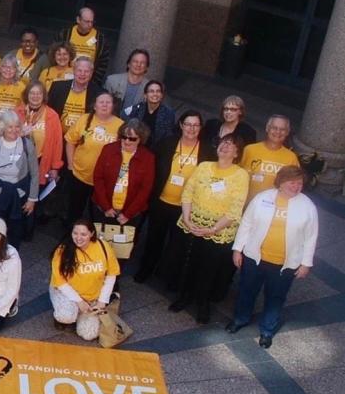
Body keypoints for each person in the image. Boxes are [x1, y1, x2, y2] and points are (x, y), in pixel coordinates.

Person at [228, 166, 318, 349]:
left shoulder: (307, 205)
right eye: (292, 182)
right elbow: (246, 223)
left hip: (285, 264)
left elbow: (311, 236)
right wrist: (238, 249)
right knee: (247, 291)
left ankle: (267, 330)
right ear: (281, 181)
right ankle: (240, 319)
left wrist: (306, 263)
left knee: (275, 298)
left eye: (300, 183)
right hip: (255, 257)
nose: (296, 186)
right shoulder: (262, 198)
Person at [164, 133, 249, 323]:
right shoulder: (203, 166)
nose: (225, 146)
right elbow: (188, 192)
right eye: (223, 142)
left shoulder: (241, 175)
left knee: (210, 268)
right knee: (189, 262)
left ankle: (203, 303)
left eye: (231, 144)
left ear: (237, 153)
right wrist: (186, 218)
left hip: (219, 230)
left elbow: (236, 208)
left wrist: (212, 229)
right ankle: (185, 296)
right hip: (193, 224)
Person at [135, 112, 211, 284]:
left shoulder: (206, 151)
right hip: (161, 201)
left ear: (200, 128)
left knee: (178, 245)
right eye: (188, 124)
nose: (191, 128)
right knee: (154, 239)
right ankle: (146, 269)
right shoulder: (168, 143)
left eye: (196, 125)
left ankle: (169, 276)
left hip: (185, 207)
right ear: (181, 125)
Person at [49, 220, 119, 341]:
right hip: (67, 292)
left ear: (92, 233)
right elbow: (60, 282)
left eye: (83, 234)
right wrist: (79, 301)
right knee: (66, 316)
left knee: (89, 335)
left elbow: (111, 275)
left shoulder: (103, 246)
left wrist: (102, 301)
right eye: (75, 233)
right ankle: (70, 313)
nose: (78, 238)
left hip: (94, 297)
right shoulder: (62, 251)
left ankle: (82, 314)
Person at [0, 110, 40, 247]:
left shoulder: (27, 144)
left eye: (17, 126)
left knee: (15, 230)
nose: (14, 130)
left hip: (19, 195)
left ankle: (12, 258)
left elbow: (35, 173)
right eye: (10, 126)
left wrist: (32, 199)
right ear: (2, 127)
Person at [62, 93, 123, 225]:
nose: (105, 105)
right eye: (101, 102)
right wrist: (71, 166)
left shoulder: (120, 126)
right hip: (79, 176)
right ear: (94, 106)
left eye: (108, 102)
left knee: (97, 216)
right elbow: (70, 141)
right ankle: (71, 237)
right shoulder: (84, 120)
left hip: (103, 182)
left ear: (113, 106)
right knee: (74, 212)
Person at [91, 120, 156, 236]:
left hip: (130, 214)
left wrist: (128, 214)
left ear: (140, 139)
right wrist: (106, 207)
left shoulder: (148, 158)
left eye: (132, 139)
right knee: (99, 240)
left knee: (122, 247)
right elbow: (98, 178)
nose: (127, 141)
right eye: (124, 137)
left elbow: (145, 189)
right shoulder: (108, 149)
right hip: (104, 209)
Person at [16, 82, 62, 227]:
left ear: (43, 96)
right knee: (18, 194)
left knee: (33, 196)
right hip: (19, 161)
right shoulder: (18, 112)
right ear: (26, 95)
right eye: (32, 93)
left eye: (39, 93)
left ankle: (28, 228)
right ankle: (16, 224)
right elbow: (6, 134)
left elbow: (57, 143)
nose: (35, 96)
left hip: (40, 161)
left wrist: (55, 167)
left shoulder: (52, 115)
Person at [240, 115, 298, 203]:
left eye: (282, 129)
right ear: (267, 128)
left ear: (287, 132)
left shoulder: (291, 157)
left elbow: (294, 185)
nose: (278, 132)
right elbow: (238, 175)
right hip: (247, 204)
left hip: (273, 208)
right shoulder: (249, 150)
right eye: (274, 128)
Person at [56, 7, 111, 85]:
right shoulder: (65, 34)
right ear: (78, 20)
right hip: (64, 78)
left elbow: (103, 63)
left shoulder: (100, 39)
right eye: (87, 21)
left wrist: (93, 82)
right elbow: (55, 54)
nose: (90, 25)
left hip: (88, 80)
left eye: (92, 22)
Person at [122, 80, 177, 145]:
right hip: (136, 145)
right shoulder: (138, 108)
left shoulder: (168, 113)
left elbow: (168, 136)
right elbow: (123, 113)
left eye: (158, 91)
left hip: (157, 148)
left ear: (162, 95)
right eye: (151, 91)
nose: (155, 94)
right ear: (145, 95)